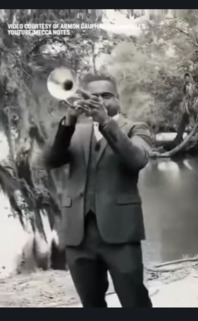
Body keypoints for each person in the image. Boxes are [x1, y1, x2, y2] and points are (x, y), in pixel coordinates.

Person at [44, 73, 154, 308]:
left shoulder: (137, 128)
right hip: (78, 235)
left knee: (134, 300)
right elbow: (53, 161)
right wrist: (70, 120)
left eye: (106, 95)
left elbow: (137, 160)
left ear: (118, 99)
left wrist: (106, 122)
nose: (100, 100)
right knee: (90, 303)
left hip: (121, 233)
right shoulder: (74, 129)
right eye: (93, 96)